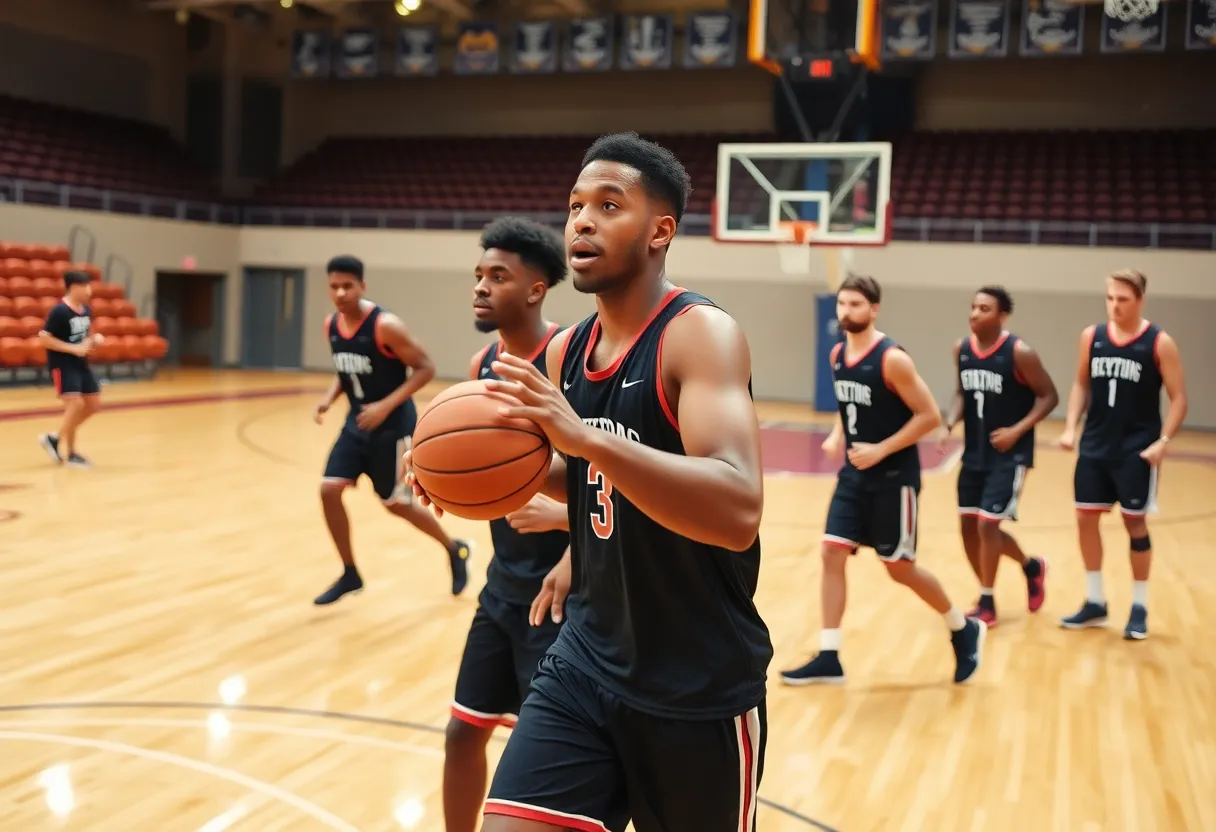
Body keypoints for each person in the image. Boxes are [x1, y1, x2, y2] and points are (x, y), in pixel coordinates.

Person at [407, 132, 773, 832]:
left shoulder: (699, 335)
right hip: (585, 660)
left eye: (609, 205)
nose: (581, 221)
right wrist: (459, 476)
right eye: (576, 205)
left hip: (695, 681)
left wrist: (587, 441)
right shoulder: (565, 351)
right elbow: (575, 478)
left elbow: (737, 508)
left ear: (660, 231)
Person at [781, 275, 986, 687]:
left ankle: (962, 628)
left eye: (855, 304)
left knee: (900, 568)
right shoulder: (838, 354)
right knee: (831, 552)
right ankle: (829, 655)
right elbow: (848, 403)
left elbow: (929, 416)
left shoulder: (892, 360)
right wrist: (838, 434)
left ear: (874, 309)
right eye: (841, 304)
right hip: (854, 476)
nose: (846, 312)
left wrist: (880, 449)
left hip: (895, 479)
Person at [444, 217, 573, 832]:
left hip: (562, 596)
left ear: (536, 289)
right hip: (503, 586)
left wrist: (568, 527)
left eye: (498, 276)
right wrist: (441, 475)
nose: (481, 286)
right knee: (461, 732)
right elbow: (483, 464)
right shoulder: (484, 362)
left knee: (535, 761)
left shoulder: (570, 358)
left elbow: (606, 472)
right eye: (479, 275)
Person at [313, 255, 470, 606]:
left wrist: (384, 406)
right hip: (357, 425)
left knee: (397, 504)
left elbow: (425, 368)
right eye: (334, 286)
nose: (340, 293)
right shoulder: (332, 325)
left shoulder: (385, 326)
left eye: (348, 286)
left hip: (394, 428)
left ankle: (454, 548)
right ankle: (350, 573)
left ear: (362, 286)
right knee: (328, 489)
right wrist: (328, 398)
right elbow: (346, 370)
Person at [1058, 269, 1187, 640]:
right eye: (1110, 298)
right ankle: (1095, 601)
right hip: (1095, 446)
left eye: (1123, 300)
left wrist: (1163, 441)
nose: (1114, 306)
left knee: (1135, 524)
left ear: (1140, 300)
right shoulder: (1092, 337)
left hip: (1136, 450)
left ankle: (1139, 607)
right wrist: (1070, 426)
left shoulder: (1159, 343)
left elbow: (1179, 398)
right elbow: (1081, 383)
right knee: (1085, 518)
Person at [941, 286, 1056, 627]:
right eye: (973, 307)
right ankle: (1031, 567)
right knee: (968, 528)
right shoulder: (962, 349)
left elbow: (1049, 396)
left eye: (984, 309)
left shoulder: (1020, 353)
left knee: (987, 525)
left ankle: (987, 601)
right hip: (974, 454)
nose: (975, 313)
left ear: (1002, 316)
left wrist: (1017, 431)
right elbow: (961, 393)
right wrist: (949, 421)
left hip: (1010, 455)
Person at [37, 270, 104, 467]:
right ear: (73, 287)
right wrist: (73, 349)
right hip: (63, 365)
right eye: (85, 286)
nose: (89, 291)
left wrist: (93, 340)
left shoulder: (86, 310)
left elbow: (82, 338)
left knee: (93, 404)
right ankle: (71, 451)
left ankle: (55, 438)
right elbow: (44, 338)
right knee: (76, 405)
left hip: (81, 364)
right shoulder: (59, 311)